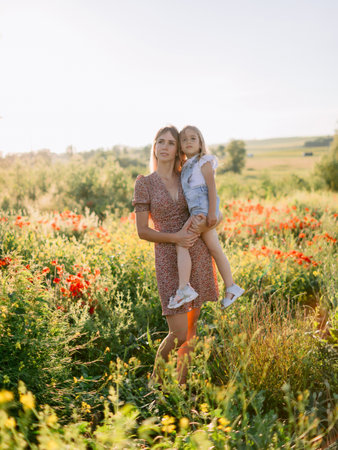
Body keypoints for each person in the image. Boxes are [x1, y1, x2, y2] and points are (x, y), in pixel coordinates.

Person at [132, 125, 219, 387]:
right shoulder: (144, 183)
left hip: (197, 253)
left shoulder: (188, 175)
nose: (165, 147)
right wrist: (176, 238)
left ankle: (180, 391)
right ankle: (154, 387)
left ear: (178, 149)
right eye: (161, 142)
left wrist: (206, 224)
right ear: (154, 147)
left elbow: (208, 201)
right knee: (178, 331)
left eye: (171, 143)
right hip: (169, 260)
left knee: (191, 333)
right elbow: (142, 231)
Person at [167, 125, 244, 310]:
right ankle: (231, 287)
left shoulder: (204, 161)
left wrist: (212, 213)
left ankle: (184, 288)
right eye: (184, 140)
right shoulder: (186, 165)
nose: (188, 142)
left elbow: (212, 188)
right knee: (215, 248)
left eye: (193, 138)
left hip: (203, 212)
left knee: (181, 242)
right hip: (199, 211)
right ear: (181, 146)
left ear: (201, 142)